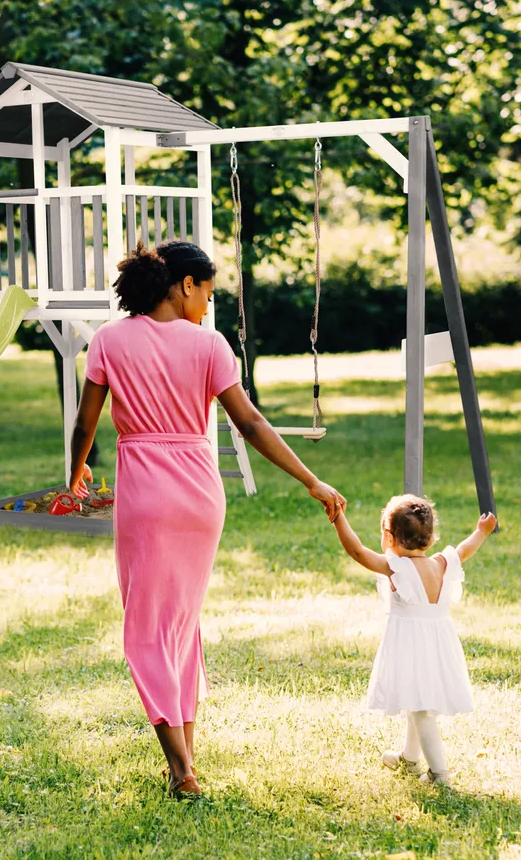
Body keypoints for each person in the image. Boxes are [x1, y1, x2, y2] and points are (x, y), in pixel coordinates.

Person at [68, 241, 346, 798]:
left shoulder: (109, 341)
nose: (208, 305)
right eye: (208, 294)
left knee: (147, 630)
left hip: (146, 495)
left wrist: (74, 474)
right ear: (185, 285)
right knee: (180, 624)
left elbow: (85, 423)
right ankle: (186, 760)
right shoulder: (210, 345)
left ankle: (181, 771)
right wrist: (310, 479)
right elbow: (251, 424)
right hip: (200, 495)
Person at [331, 494, 498, 785]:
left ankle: (439, 774)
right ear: (430, 538)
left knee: (421, 710)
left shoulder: (396, 568)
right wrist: (481, 532)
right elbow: (464, 549)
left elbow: (357, 551)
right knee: (415, 699)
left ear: (390, 537)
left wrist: (338, 518)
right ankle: (409, 758)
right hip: (438, 646)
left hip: (411, 647)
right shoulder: (441, 563)